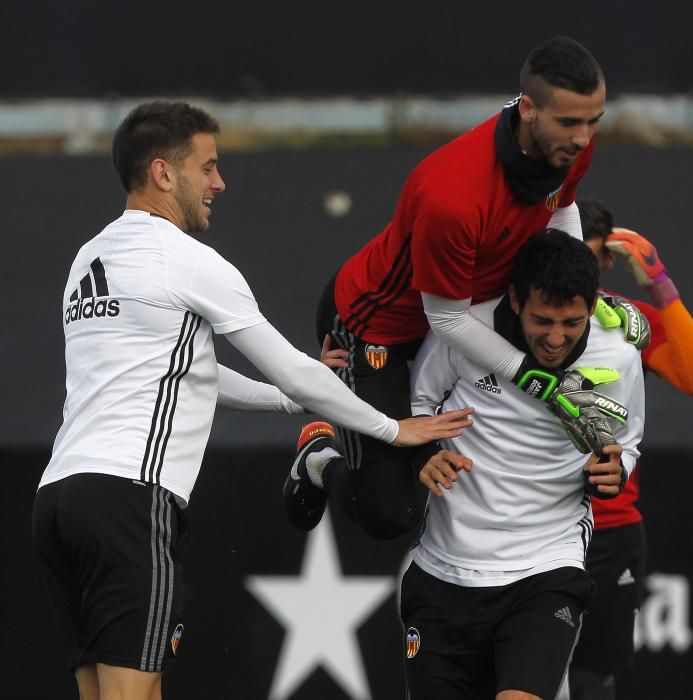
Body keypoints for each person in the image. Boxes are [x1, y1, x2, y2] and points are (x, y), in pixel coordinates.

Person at [30, 101, 473, 700]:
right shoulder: (186, 259)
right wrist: (393, 430)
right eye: (207, 167)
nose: (220, 183)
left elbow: (194, 373)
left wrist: (294, 402)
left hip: (59, 500)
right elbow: (292, 370)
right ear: (164, 173)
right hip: (128, 503)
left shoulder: (89, 259)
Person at [285, 36, 625, 540]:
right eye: (570, 123)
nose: (582, 137)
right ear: (528, 109)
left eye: (594, 121)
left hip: (467, 311)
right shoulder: (455, 197)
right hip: (375, 327)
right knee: (388, 513)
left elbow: (562, 209)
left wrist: (583, 299)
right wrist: (536, 377)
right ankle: (317, 458)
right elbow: (445, 319)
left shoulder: (570, 146)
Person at [399, 229, 646, 700]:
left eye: (572, 322)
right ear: (514, 299)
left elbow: (628, 442)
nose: (555, 338)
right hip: (443, 570)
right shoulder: (465, 328)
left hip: (546, 569)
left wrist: (616, 471)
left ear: (593, 305)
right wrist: (423, 453)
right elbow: (419, 401)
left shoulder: (619, 353)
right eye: (542, 320)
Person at [567, 199, 693, 700]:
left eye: (586, 258)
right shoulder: (517, 314)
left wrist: (658, 283)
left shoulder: (625, 320)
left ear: (607, 260)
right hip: (527, 520)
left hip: (609, 527)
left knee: (591, 677)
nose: (573, 273)